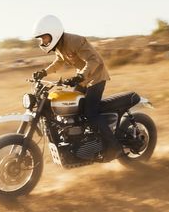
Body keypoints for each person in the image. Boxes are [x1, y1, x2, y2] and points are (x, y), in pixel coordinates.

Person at [32, 14, 123, 160]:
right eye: (41, 39)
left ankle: (114, 147)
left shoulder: (74, 41)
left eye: (44, 38)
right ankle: (83, 141)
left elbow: (95, 60)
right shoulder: (60, 46)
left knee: (90, 113)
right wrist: (44, 72)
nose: (43, 41)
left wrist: (80, 75)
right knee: (73, 109)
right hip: (83, 80)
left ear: (53, 33)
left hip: (96, 78)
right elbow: (58, 62)